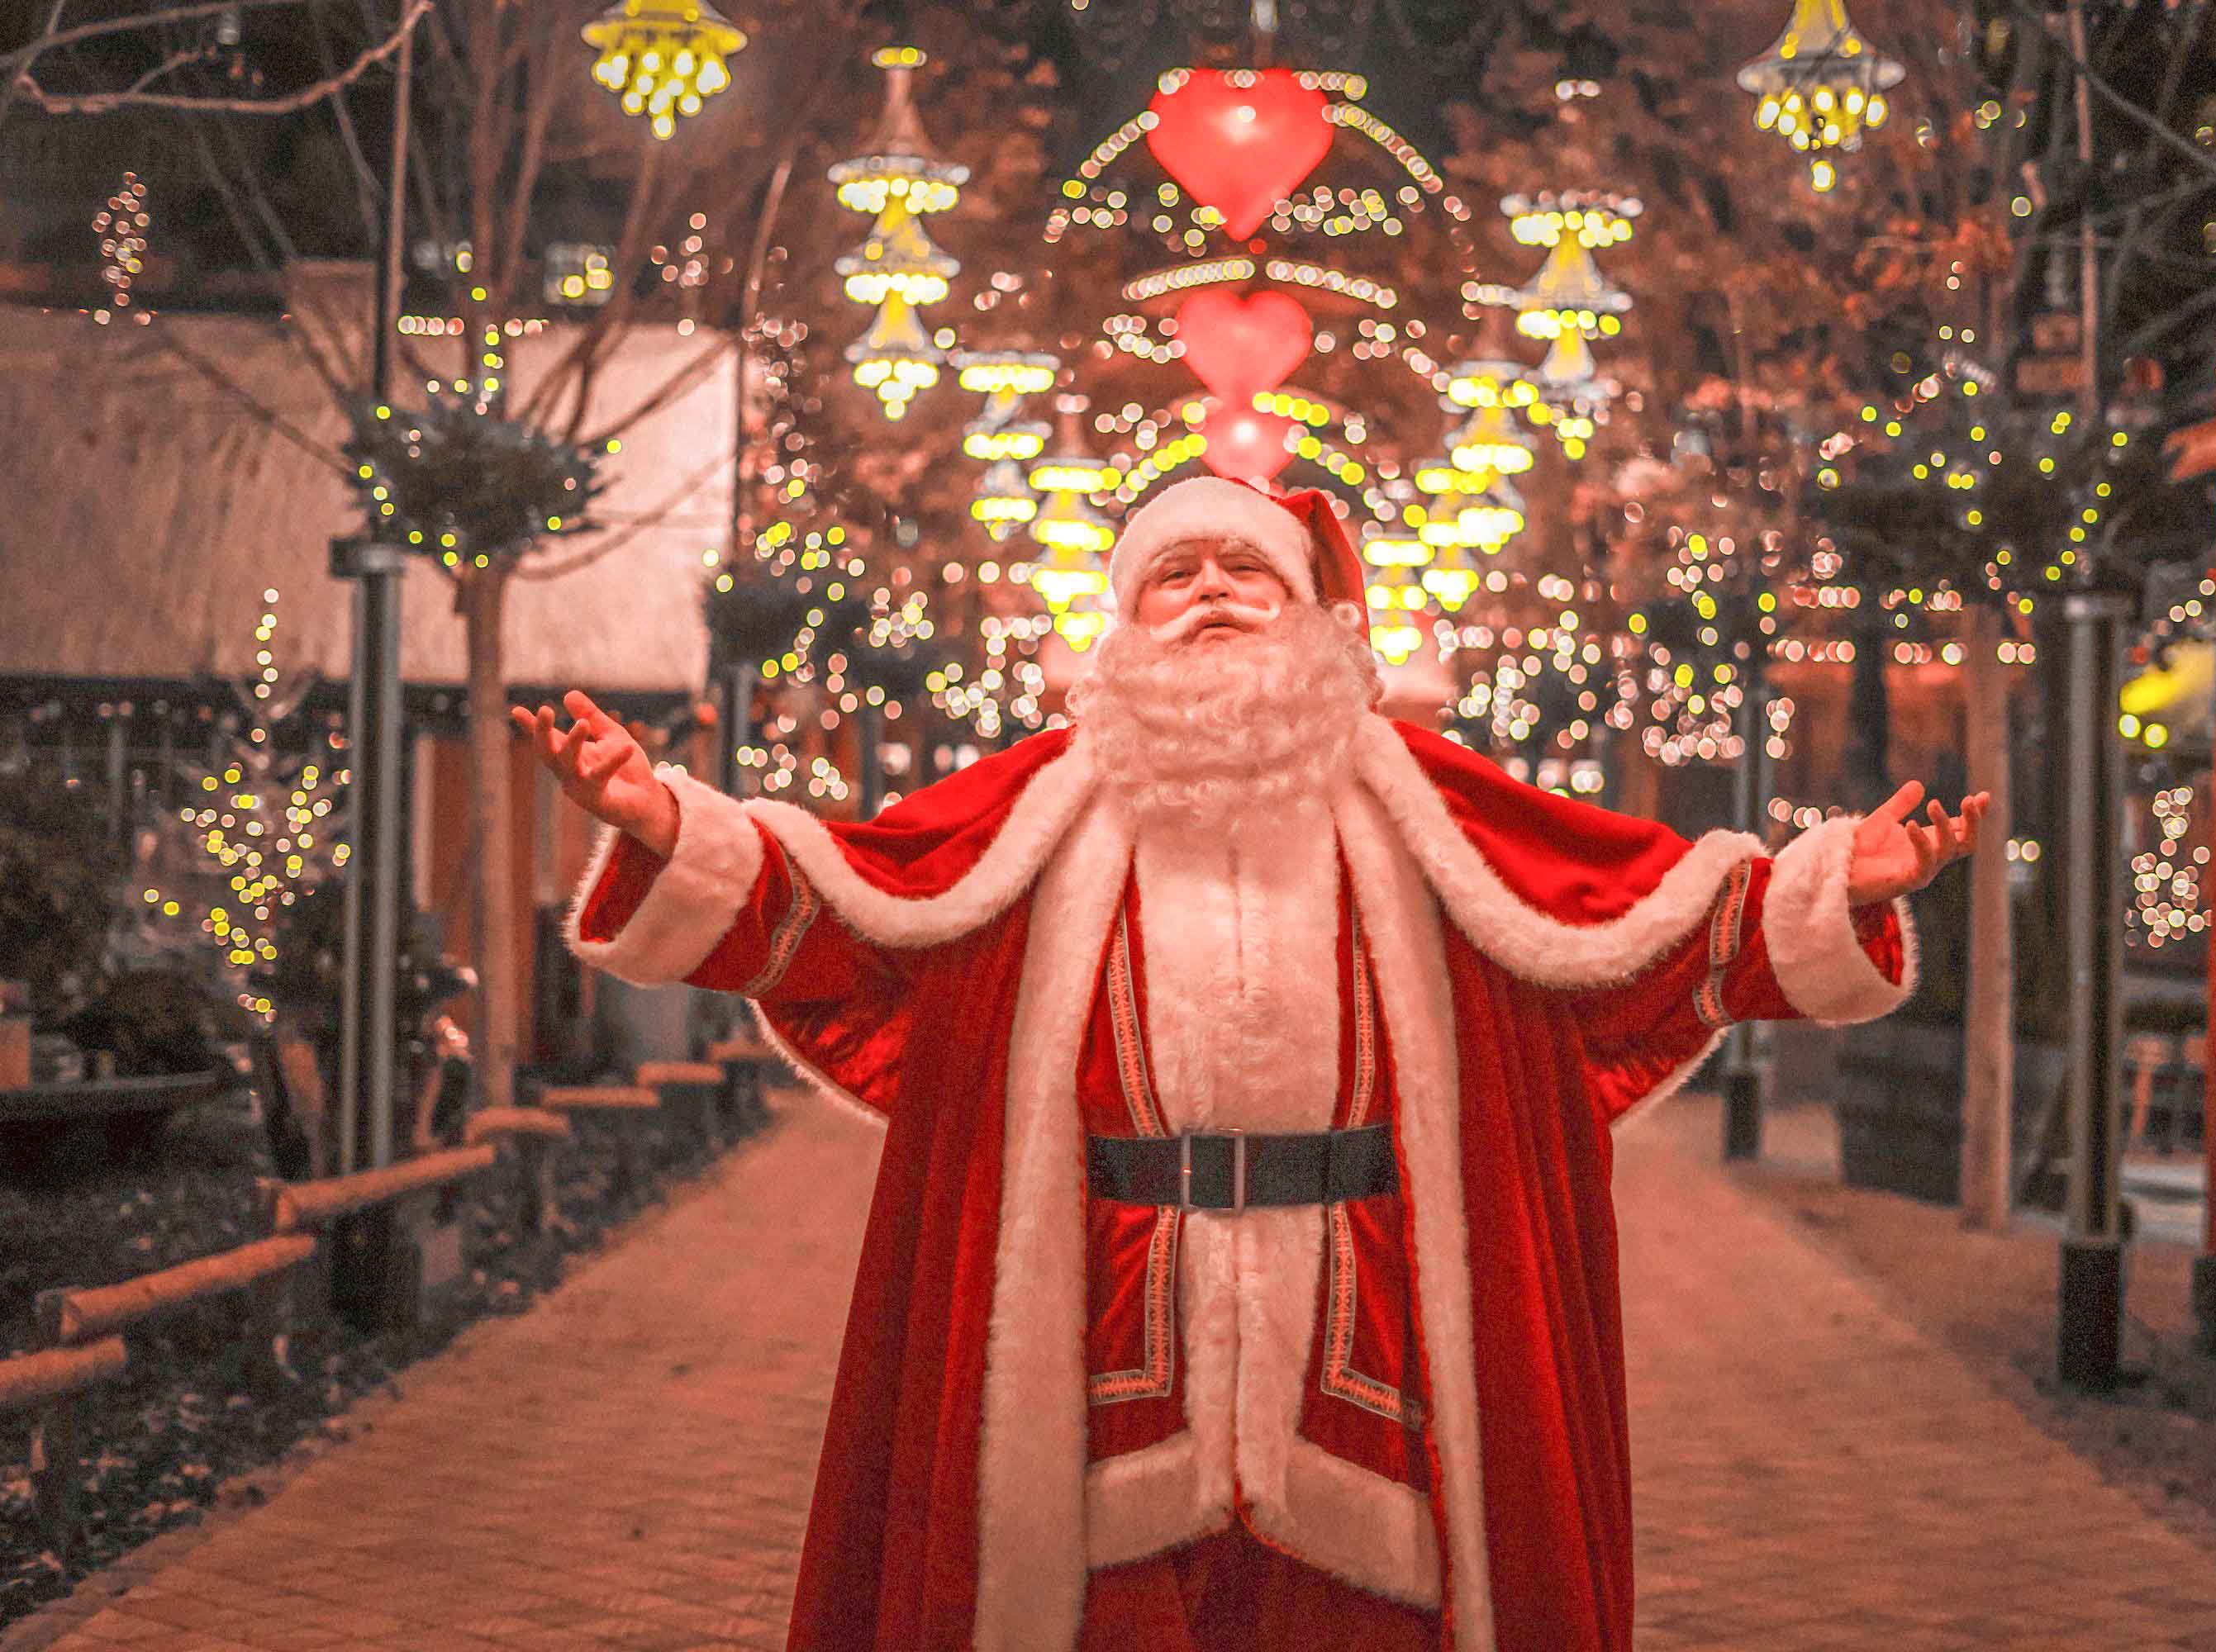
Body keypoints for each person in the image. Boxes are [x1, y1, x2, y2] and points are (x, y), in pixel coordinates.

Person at [517, 476, 1985, 1652]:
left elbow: (1627, 910)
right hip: (1094, 1325)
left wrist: (1832, 887)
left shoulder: (1419, 802)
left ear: (1314, 623)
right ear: (1121, 627)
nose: (1214, 594)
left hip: (1373, 1331)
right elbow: (855, 898)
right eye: (1177, 574)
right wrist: (664, 826)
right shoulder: (1039, 807)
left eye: (1248, 574)